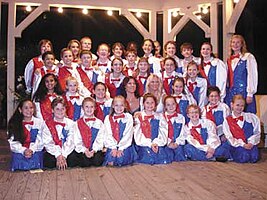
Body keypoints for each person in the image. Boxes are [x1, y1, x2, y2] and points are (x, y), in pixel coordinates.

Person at [225, 34, 258, 114]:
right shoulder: (229, 60)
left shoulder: (248, 57)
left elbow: (252, 75)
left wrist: (250, 93)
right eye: (233, 42)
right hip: (231, 93)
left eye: (238, 42)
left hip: (244, 92)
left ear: (242, 44)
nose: (235, 45)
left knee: (247, 117)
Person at [7, 99, 44, 171]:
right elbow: (13, 142)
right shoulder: (14, 123)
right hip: (20, 151)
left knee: (35, 163)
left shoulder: (40, 123)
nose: (29, 110)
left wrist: (31, 150)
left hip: (35, 150)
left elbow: (40, 140)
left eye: (31, 107)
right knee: (20, 165)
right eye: (26, 108)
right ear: (20, 110)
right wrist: (23, 150)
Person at [134, 93, 170, 164]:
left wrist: (156, 143)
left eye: (152, 103)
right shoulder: (139, 117)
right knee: (148, 156)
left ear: (155, 104)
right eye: (147, 103)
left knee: (161, 157)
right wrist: (150, 144)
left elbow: (163, 132)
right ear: (143, 104)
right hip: (144, 144)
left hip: (157, 143)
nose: (150, 105)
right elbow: (138, 135)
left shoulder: (160, 117)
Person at [223, 95, 260, 163]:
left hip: (249, 144)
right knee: (244, 156)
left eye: (242, 106)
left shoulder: (251, 117)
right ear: (232, 105)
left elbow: (257, 132)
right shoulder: (227, 120)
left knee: (254, 157)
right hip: (237, 145)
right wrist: (242, 144)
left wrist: (251, 142)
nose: (239, 108)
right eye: (237, 105)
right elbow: (229, 137)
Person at [42, 97, 77, 169]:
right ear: (52, 110)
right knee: (49, 161)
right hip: (53, 151)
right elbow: (48, 142)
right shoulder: (47, 124)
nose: (60, 111)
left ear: (65, 110)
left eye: (62, 109)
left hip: (67, 151)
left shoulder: (71, 123)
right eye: (57, 109)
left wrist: (63, 155)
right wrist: (58, 155)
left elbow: (71, 141)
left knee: (73, 160)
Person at [103, 95, 136, 166]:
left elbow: (128, 134)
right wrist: (113, 148)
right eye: (116, 105)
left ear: (125, 106)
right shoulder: (107, 118)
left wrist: (121, 148)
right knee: (111, 161)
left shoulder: (128, 117)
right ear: (112, 106)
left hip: (125, 145)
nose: (119, 108)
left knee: (120, 159)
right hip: (112, 144)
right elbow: (107, 134)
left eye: (121, 105)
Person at [74, 97, 105, 167]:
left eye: (91, 107)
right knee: (85, 163)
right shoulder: (77, 123)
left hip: (95, 149)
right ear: (82, 108)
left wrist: (94, 150)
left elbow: (100, 139)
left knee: (97, 161)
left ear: (95, 108)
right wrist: (85, 150)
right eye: (87, 107)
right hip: (83, 150)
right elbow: (77, 140)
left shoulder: (99, 123)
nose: (89, 109)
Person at [163, 96, 187, 162]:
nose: (171, 106)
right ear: (165, 106)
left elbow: (183, 132)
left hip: (177, 143)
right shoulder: (162, 117)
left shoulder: (181, 117)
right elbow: (162, 133)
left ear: (176, 104)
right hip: (166, 143)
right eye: (168, 105)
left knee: (180, 157)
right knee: (168, 157)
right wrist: (168, 143)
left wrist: (177, 143)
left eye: (173, 104)